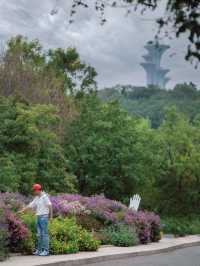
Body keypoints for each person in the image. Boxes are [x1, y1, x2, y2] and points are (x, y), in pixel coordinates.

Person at [19, 183, 53, 256]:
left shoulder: (44, 197)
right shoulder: (37, 198)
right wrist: (22, 211)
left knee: (44, 234)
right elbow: (30, 206)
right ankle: (39, 250)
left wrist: (51, 217)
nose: (34, 192)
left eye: (34, 190)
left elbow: (50, 206)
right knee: (39, 235)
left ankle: (46, 251)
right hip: (38, 217)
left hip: (44, 217)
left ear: (38, 190)